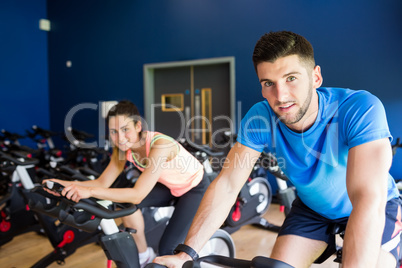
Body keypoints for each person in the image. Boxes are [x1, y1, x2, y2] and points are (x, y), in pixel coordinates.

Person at [154, 31, 401, 268]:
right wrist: (187, 252)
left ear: (316, 77)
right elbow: (228, 185)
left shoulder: (359, 108)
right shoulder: (259, 118)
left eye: (291, 78)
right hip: (313, 209)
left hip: (375, 204)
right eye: (268, 83)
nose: (280, 96)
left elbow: (368, 199)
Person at [44, 100, 209, 267]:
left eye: (125, 130)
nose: (120, 138)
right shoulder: (123, 149)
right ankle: (144, 255)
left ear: (138, 126)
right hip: (169, 186)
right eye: (114, 132)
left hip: (194, 188)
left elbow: (137, 195)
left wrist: (90, 192)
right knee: (125, 205)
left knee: (168, 249)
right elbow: (102, 182)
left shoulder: (160, 145)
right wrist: (62, 184)